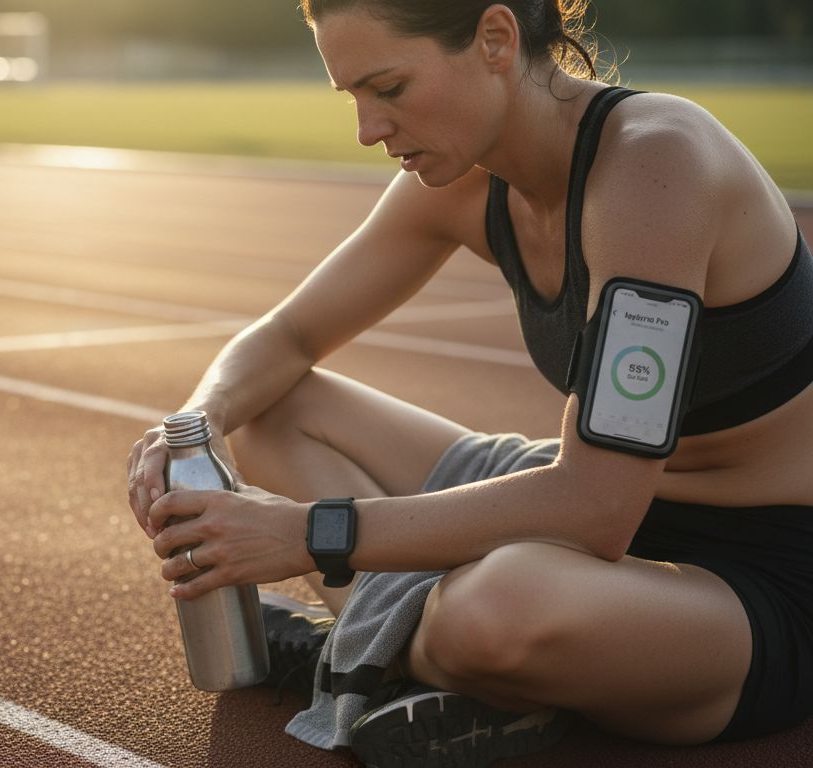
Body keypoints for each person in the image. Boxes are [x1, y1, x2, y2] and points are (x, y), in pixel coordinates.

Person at [126, 1, 813, 765]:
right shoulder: (463, 180)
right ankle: (396, 654)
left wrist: (301, 535)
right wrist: (190, 423)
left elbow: (595, 508)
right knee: (267, 408)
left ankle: (356, 649)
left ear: (495, 39)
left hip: (759, 570)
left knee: (495, 612)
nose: (366, 128)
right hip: (578, 499)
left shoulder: (657, 165)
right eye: (351, 96)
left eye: (387, 87)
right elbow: (287, 338)